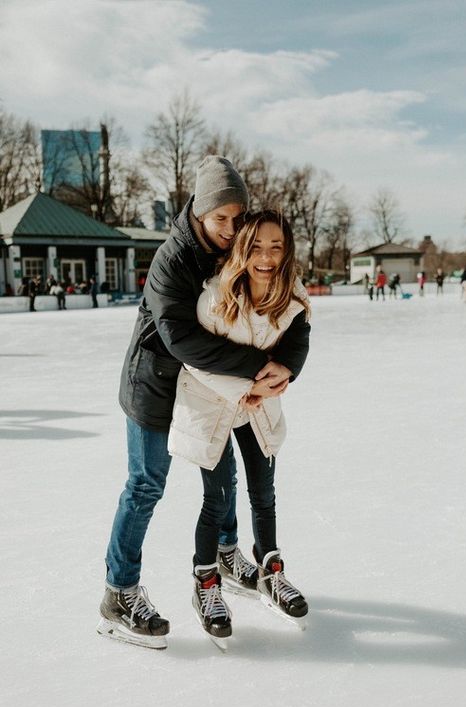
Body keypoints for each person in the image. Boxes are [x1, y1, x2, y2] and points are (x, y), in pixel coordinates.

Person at [98, 156, 309, 649]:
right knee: (146, 485)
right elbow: (181, 339)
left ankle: (229, 553)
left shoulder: (238, 248)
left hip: (215, 385)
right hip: (155, 384)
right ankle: (119, 592)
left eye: (239, 218)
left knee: (224, 470)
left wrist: (289, 363)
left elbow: (287, 307)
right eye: (222, 219)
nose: (232, 229)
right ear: (198, 212)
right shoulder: (171, 260)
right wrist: (257, 371)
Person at [168, 211, 310, 642]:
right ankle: (206, 581)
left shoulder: (291, 296)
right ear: (242, 249)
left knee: (263, 492)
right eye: (257, 247)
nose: (266, 257)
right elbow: (197, 360)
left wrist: (278, 378)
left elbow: (297, 341)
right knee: (219, 496)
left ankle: (271, 568)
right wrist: (248, 386)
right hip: (211, 405)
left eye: (276, 247)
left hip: (259, 406)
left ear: (286, 252)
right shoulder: (216, 297)